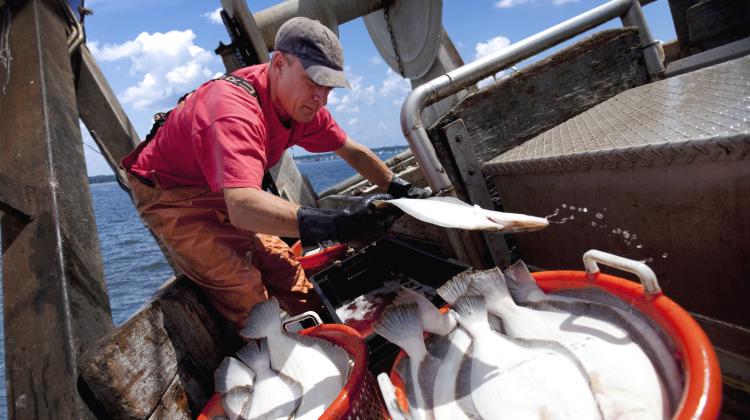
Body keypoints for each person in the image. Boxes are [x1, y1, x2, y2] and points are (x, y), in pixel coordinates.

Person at [120, 16, 430, 328]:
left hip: (227, 189)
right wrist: (336, 224)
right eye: (314, 81)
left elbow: (352, 151)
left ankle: (327, 338)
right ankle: (269, 361)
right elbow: (242, 207)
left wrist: (399, 187)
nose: (321, 98)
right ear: (279, 63)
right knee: (247, 295)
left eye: (329, 88)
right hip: (171, 194)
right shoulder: (232, 111)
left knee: (287, 270)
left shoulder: (304, 109)